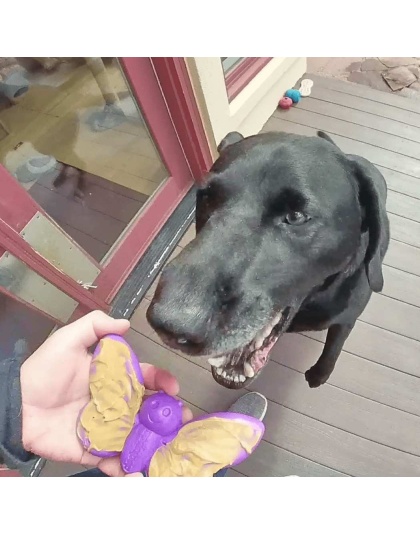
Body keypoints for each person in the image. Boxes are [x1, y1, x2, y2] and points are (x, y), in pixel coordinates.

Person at [0, 311, 267, 477]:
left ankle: (212, 462)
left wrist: (15, 412)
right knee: (192, 465)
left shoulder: (127, 406)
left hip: (109, 437)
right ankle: (214, 455)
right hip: (158, 463)